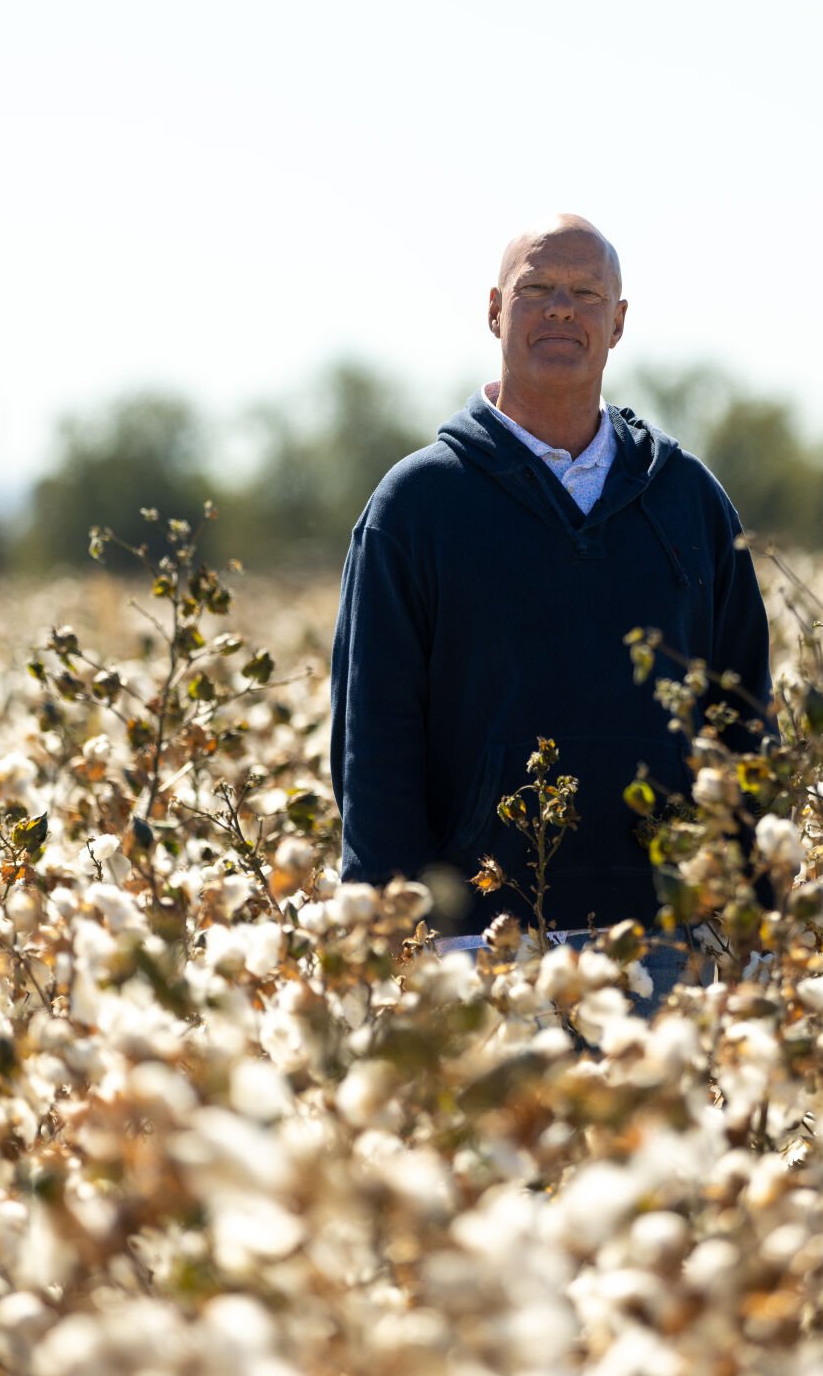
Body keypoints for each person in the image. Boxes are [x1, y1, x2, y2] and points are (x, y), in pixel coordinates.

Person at [330, 214, 772, 957]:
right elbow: (375, 742)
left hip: (669, 943)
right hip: (477, 948)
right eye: (537, 288)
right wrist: (393, 945)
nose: (561, 308)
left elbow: (743, 722)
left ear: (619, 320)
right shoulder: (416, 505)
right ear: (496, 310)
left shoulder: (687, 501)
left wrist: (756, 923)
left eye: (585, 292)